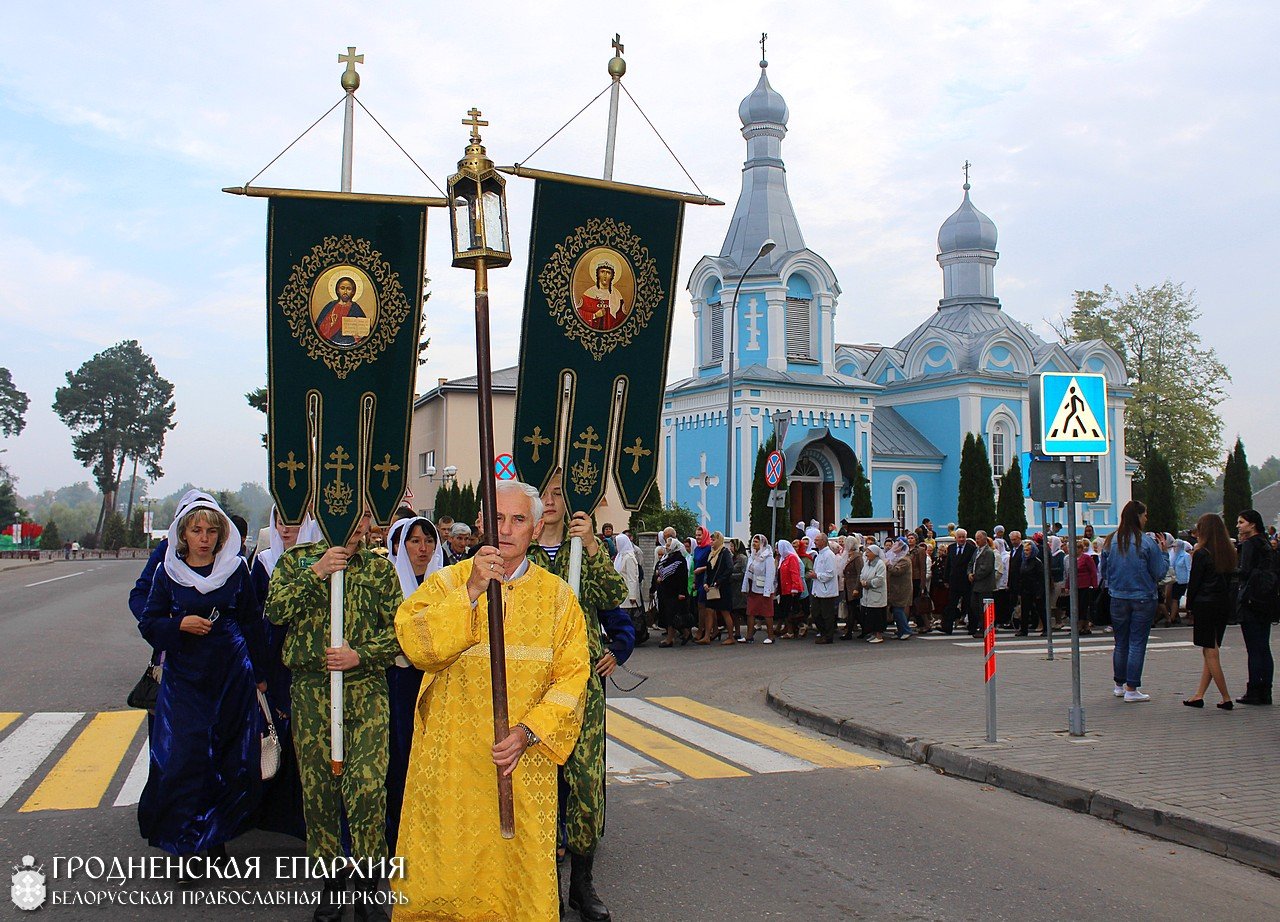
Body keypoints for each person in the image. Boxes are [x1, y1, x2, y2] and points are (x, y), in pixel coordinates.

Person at [389, 481, 589, 920]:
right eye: (497, 518)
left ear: (536, 529)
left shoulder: (558, 599)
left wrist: (529, 732)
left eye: (518, 520)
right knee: (446, 880)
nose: (506, 529)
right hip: (451, 768)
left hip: (520, 764)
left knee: (514, 888)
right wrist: (472, 591)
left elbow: (573, 678)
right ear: (481, 525)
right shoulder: (447, 583)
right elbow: (415, 643)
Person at [264, 509, 402, 917]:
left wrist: (362, 654)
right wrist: (318, 573)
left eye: (365, 519)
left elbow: (399, 629)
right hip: (311, 692)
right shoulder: (297, 560)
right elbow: (275, 612)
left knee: (367, 789)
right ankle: (330, 882)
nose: (359, 527)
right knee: (320, 792)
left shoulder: (380, 570)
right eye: (351, 518)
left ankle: (367, 883)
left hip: (366, 691)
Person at [137, 497, 266, 866]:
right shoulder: (168, 572)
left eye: (211, 531)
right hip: (185, 681)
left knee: (228, 757)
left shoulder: (236, 569)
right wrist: (180, 624)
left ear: (222, 534)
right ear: (183, 533)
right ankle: (186, 844)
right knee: (183, 759)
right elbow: (149, 622)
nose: (204, 539)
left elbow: (252, 622)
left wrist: (260, 677)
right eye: (197, 530)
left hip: (230, 677)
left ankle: (217, 838)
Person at [526, 472, 626, 919]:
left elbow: (614, 596)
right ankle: (543, 882)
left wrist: (588, 547)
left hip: (580, 686)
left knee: (585, 784)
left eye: (557, 495)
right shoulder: (519, 553)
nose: (549, 501)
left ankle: (582, 886)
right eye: (542, 493)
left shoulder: (584, 550)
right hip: (531, 688)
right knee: (538, 786)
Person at [248, 505, 322, 843]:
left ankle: (310, 818)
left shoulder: (321, 561)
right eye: (280, 520)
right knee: (277, 736)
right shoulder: (264, 562)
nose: (285, 528)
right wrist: (259, 670)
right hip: (274, 659)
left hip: (309, 662)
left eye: (293, 520)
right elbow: (254, 617)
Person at [383, 516, 444, 851]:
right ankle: (398, 839)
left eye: (429, 541)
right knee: (402, 757)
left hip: (437, 678)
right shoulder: (390, 583)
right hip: (400, 681)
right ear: (401, 545)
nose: (423, 548)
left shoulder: (445, 583)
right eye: (415, 541)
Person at [1100, 500, 1168, 702]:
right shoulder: (1146, 542)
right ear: (1138, 516)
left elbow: (1104, 571)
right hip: (1142, 597)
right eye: (1145, 515)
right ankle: (1132, 688)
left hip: (1118, 596)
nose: (1146, 518)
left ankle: (1119, 685)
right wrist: (1164, 553)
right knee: (1137, 642)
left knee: (1120, 642)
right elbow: (1159, 572)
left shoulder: (1111, 540)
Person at [1182, 513, 1237, 709]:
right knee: (1210, 649)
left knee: (1210, 651)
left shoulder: (1202, 553)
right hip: (1221, 604)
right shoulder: (1228, 552)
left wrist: (1189, 605)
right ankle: (1199, 695)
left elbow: (1195, 582)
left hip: (1205, 603)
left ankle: (1226, 697)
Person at [1235, 509, 1276, 706]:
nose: (1238, 526)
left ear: (1252, 524)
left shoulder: (1250, 544)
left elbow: (1244, 572)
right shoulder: (1266, 544)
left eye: (1241, 522)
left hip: (1251, 600)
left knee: (1254, 648)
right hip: (1266, 601)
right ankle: (1266, 690)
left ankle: (1253, 690)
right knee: (1264, 646)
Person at [700, 531, 736, 645]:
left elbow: (729, 569)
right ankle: (707, 636)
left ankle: (731, 637)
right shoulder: (712, 554)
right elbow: (708, 570)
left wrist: (719, 581)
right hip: (711, 587)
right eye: (711, 540)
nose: (712, 542)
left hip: (722, 587)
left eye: (714, 540)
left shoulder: (725, 552)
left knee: (725, 611)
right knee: (709, 611)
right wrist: (705, 582)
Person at [741, 534, 777, 643]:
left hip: (764, 589)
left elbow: (770, 575)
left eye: (756, 542)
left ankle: (771, 636)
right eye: (753, 541)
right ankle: (749, 636)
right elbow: (748, 572)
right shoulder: (753, 556)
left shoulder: (768, 557)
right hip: (753, 588)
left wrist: (767, 591)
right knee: (750, 612)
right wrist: (745, 587)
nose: (754, 544)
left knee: (767, 613)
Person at [656, 536, 691, 647]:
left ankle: (670, 639)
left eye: (668, 545)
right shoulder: (667, 558)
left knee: (672, 615)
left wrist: (682, 592)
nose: (666, 547)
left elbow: (683, 578)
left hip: (675, 592)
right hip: (666, 591)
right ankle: (686, 633)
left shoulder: (679, 559)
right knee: (670, 614)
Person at [576, 260, 628, 331]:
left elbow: (621, 318)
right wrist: (595, 315)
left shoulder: (617, 296)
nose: (605, 275)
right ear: (598, 274)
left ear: (612, 276)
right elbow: (580, 313)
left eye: (608, 273)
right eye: (602, 272)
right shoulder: (589, 293)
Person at [316, 276, 368, 346]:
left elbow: (365, 331)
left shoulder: (355, 308)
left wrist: (359, 336)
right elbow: (319, 330)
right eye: (342, 288)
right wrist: (330, 324)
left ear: (353, 292)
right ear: (337, 290)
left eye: (349, 289)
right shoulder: (330, 306)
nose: (345, 292)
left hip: (351, 345)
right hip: (328, 344)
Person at [612, 532, 643, 647]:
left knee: (630, 620)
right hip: (621, 594)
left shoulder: (629, 557)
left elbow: (632, 578)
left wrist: (633, 596)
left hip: (628, 595)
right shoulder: (620, 556)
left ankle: (631, 639)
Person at [810, 533, 840, 644]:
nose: (815, 542)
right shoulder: (819, 555)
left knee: (827, 615)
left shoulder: (829, 555)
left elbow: (830, 573)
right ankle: (823, 633)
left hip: (827, 590)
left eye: (817, 540)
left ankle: (828, 636)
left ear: (823, 541)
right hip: (818, 590)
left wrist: (817, 575)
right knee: (815, 613)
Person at [942, 529, 974, 634]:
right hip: (954, 581)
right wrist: (946, 579)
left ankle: (972, 627)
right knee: (951, 604)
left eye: (963, 537)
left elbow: (972, 564)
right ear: (955, 538)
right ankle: (947, 627)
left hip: (966, 582)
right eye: (959, 537)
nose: (961, 539)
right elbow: (948, 565)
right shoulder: (951, 548)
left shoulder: (971, 549)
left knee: (969, 605)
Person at [884, 537, 914, 641]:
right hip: (895, 588)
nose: (894, 546)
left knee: (898, 610)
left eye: (897, 544)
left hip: (902, 589)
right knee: (895, 609)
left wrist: (888, 565)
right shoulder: (896, 557)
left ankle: (906, 630)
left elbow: (897, 571)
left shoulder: (905, 559)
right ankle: (900, 630)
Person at [776, 540, 805, 639]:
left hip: (791, 590)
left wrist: (794, 588)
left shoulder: (792, 558)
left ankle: (793, 630)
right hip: (784, 589)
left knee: (791, 611)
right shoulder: (783, 559)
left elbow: (794, 573)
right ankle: (791, 629)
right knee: (786, 610)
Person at [860, 543, 888, 643]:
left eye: (869, 552)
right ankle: (873, 633)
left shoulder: (880, 564)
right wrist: (862, 581)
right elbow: (862, 574)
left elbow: (880, 579)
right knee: (870, 615)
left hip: (877, 594)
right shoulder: (867, 563)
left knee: (877, 616)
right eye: (866, 551)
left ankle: (879, 635)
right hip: (867, 594)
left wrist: (868, 583)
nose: (866, 554)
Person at [1015, 540, 1044, 635]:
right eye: (1025, 550)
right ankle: (1023, 630)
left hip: (1035, 589)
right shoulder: (1024, 562)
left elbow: (1041, 578)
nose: (1026, 552)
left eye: (1028, 550)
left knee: (1040, 609)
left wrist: (1040, 592)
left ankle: (1046, 628)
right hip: (1025, 589)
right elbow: (1020, 577)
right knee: (1025, 610)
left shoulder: (1037, 562)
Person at [840, 533, 864, 639]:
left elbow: (860, 573)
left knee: (852, 609)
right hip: (848, 585)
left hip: (853, 586)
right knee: (854, 610)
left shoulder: (857, 557)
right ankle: (865, 629)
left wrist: (857, 588)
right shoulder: (850, 556)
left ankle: (849, 632)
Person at [1076, 537, 1099, 635]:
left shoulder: (1086, 558)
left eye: (1077, 548)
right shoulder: (1072, 558)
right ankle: (1082, 626)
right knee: (1077, 606)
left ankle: (1082, 626)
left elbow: (1093, 571)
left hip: (1085, 585)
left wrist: (1094, 584)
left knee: (1084, 606)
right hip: (1076, 586)